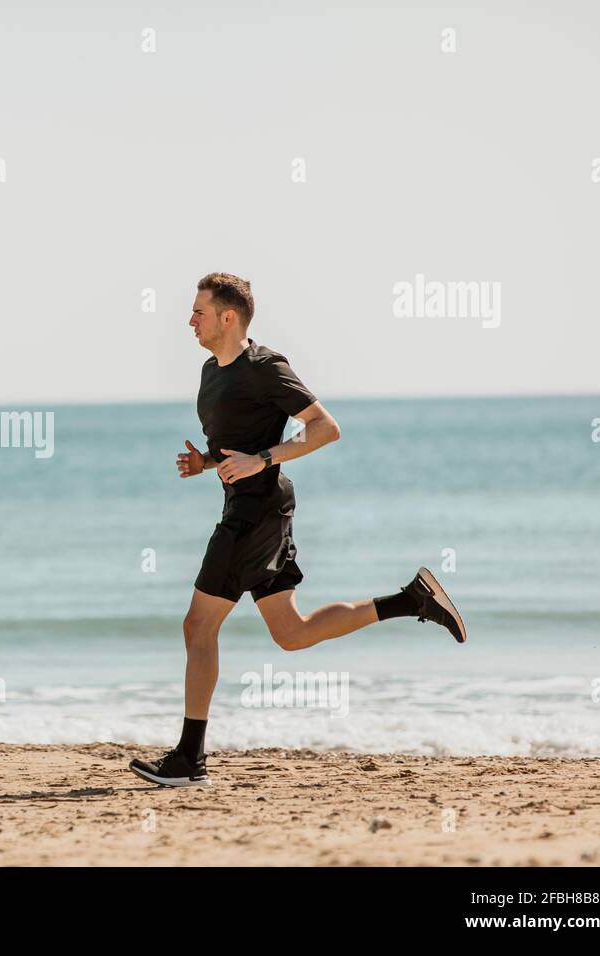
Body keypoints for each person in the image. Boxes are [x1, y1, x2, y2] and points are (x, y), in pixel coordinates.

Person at [129, 272, 466, 788]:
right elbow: (234, 447)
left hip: (255, 512)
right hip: (251, 505)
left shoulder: (266, 367)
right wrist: (206, 463)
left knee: (198, 627)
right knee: (292, 633)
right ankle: (411, 600)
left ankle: (189, 760)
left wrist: (263, 459)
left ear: (228, 317)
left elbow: (325, 428)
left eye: (198, 311)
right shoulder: (209, 373)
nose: (189, 321)